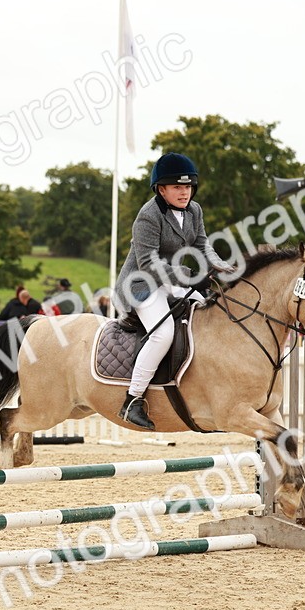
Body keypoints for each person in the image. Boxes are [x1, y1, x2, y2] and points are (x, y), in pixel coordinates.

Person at [112, 152, 215, 430]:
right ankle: (132, 400)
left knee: (208, 311)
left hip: (169, 282)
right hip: (140, 285)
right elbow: (149, 263)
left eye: (188, 187)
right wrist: (192, 278)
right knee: (163, 332)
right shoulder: (148, 216)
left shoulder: (194, 210)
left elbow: (204, 246)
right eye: (178, 187)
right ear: (162, 189)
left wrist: (224, 269)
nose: (185, 192)